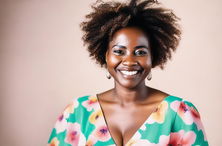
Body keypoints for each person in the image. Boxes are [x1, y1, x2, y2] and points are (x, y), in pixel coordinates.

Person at [48, 0, 209, 145]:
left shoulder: (179, 113)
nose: (130, 61)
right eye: (119, 51)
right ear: (106, 55)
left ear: (152, 57)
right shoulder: (77, 112)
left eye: (140, 52)